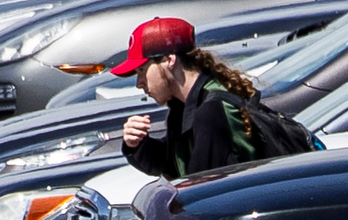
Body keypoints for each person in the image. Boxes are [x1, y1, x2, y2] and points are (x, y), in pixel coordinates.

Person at [114, 16, 272, 179]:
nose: (139, 83)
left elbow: (200, 186)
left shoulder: (212, 110)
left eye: (142, 71)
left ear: (169, 60)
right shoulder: (183, 108)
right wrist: (137, 144)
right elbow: (174, 164)